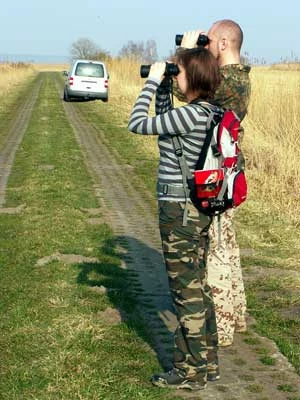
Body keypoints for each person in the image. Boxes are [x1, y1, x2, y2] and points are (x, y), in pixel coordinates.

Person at [128, 47, 221, 391]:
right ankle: (207, 363)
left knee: (186, 294)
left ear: (194, 76)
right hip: (198, 210)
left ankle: (190, 371)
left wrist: (151, 83)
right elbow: (170, 132)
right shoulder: (210, 111)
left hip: (178, 211)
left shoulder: (191, 115)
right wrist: (167, 88)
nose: (173, 75)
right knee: (197, 287)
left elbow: (137, 123)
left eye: (176, 71)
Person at [175, 20, 251, 347]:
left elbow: (186, 89)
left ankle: (220, 325)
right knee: (226, 243)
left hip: (216, 175)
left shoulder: (228, 82)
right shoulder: (237, 78)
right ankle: (236, 312)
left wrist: (186, 53)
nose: (206, 50)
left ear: (221, 43)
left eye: (208, 45)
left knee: (216, 248)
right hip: (225, 173)